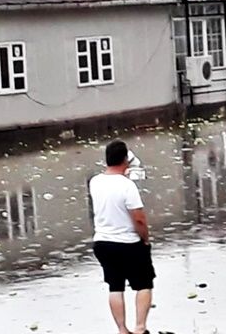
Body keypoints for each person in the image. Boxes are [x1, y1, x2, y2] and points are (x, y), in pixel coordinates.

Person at [91, 140, 155, 334]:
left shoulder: (95, 182)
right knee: (143, 283)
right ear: (125, 160)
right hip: (128, 243)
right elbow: (139, 219)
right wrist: (145, 238)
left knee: (115, 286)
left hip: (102, 242)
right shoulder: (127, 186)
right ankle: (140, 327)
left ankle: (121, 329)